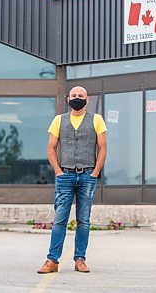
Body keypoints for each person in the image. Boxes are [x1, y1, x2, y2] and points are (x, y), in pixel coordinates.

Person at [37, 86, 107, 274]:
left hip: (87, 175)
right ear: (68, 99)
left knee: (83, 220)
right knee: (60, 219)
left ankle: (80, 259)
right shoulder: (58, 120)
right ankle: (52, 260)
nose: (77, 98)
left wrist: (95, 172)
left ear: (87, 99)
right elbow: (51, 147)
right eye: (74, 96)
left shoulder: (97, 120)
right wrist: (58, 171)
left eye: (81, 96)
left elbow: (102, 148)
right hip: (65, 175)